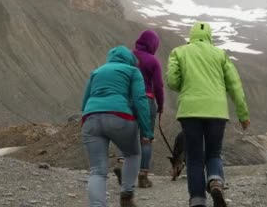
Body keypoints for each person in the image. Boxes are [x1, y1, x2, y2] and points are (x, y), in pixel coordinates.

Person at [167, 22, 250, 207]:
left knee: (195, 157)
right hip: (217, 111)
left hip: (190, 111)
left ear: (192, 35)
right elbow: (235, 86)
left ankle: (197, 201)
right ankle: (215, 182)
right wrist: (243, 115)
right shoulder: (220, 55)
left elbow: (172, 81)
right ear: (210, 36)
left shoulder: (179, 52)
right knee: (213, 153)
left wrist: (187, 86)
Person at [81, 46, 154, 207]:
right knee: (133, 154)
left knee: (97, 171)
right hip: (120, 117)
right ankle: (126, 196)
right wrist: (146, 131)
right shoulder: (133, 71)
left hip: (91, 118)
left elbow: (85, 101)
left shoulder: (97, 72)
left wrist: (87, 119)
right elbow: (140, 101)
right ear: (130, 60)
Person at [114, 30, 165, 188]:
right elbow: (158, 86)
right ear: (153, 45)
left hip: (128, 100)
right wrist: (161, 105)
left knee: (127, 135)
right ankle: (143, 176)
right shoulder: (153, 61)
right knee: (146, 139)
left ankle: (122, 165)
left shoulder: (129, 56)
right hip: (147, 100)